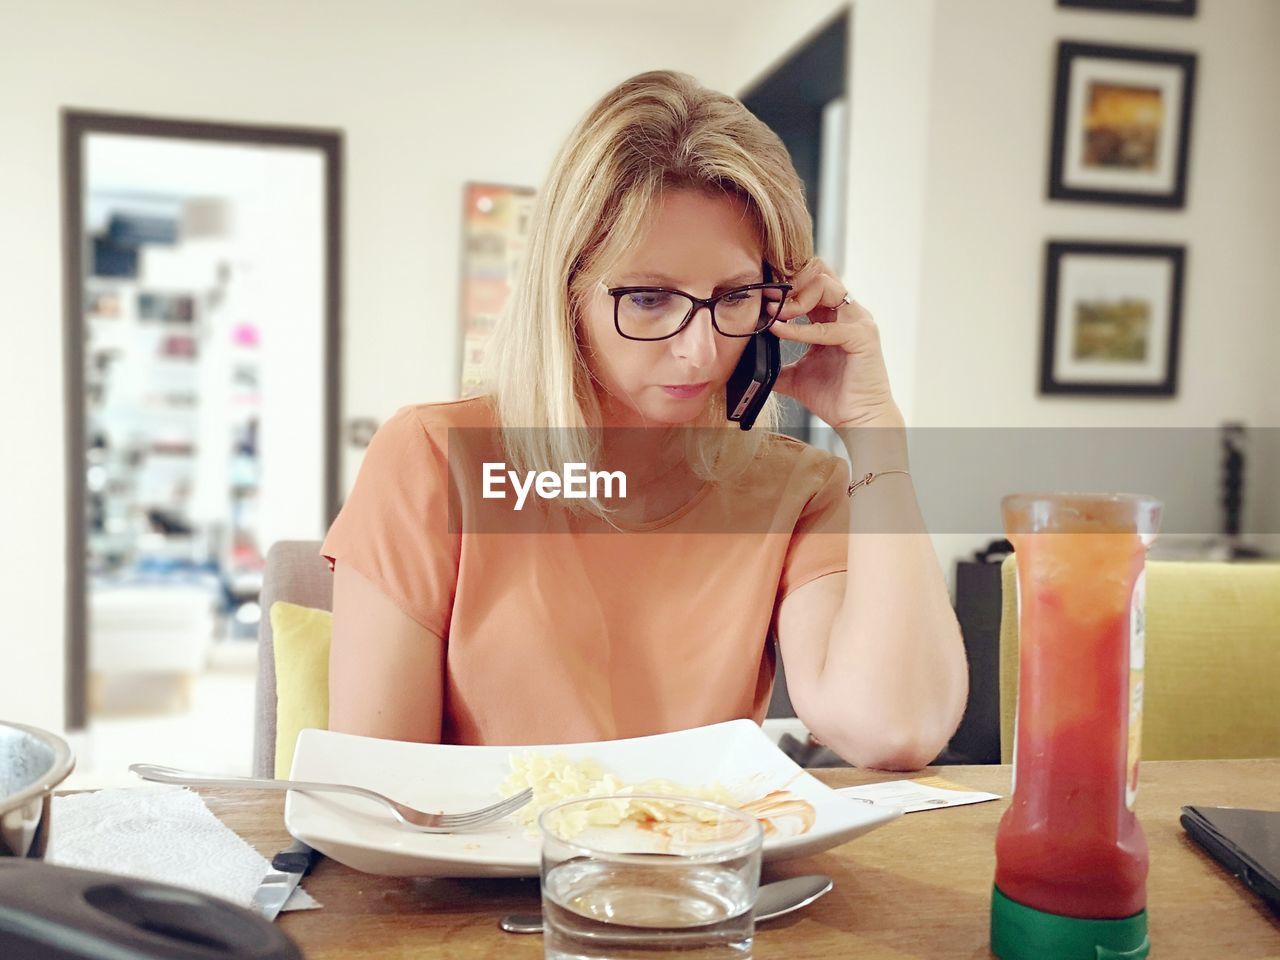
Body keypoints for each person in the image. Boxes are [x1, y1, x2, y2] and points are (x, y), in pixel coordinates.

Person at [322, 70, 967, 770]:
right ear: (567, 293)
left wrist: (873, 427)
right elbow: (378, 792)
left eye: (735, 296)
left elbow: (894, 730)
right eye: (651, 298)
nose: (700, 350)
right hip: (488, 877)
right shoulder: (433, 458)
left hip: (693, 874)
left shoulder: (799, 490)